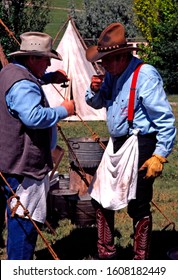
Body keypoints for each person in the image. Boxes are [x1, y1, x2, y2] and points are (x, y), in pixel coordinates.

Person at [85, 22, 176, 260]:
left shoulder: (145, 74)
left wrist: (159, 154)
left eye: (107, 60)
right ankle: (107, 254)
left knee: (138, 202)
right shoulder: (111, 75)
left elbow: (165, 120)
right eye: (102, 60)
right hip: (117, 143)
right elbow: (96, 103)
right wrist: (94, 90)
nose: (103, 65)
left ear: (122, 56)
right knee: (99, 196)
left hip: (141, 142)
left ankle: (140, 259)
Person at [0, 31, 75, 260]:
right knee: (24, 224)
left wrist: (49, 77)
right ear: (32, 58)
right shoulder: (22, 83)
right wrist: (65, 110)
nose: (49, 63)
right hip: (22, 166)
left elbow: (27, 81)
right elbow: (32, 116)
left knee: (17, 220)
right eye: (45, 59)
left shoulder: (9, 71)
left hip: (8, 161)